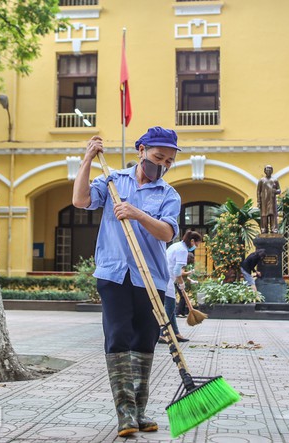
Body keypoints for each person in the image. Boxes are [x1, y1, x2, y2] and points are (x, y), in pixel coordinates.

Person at [72, 126, 181, 437]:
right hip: (114, 273)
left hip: (152, 278)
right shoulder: (113, 181)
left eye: (169, 161)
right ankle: (125, 414)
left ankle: (140, 410)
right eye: (158, 157)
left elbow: (167, 233)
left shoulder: (169, 194)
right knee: (118, 336)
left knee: (145, 341)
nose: (162, 165)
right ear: (142, 151)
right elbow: (80, 200)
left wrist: (138, 214)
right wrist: (88, 159)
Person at [161, 230, 203, 343]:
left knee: (171, 307)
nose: (197, 247)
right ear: (192, 241)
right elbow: (177, 270)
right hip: (167, 279)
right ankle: (161, 333)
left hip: (165, 277)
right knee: (169, 307)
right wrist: (181, 283)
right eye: (197, 244)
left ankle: (176, 333)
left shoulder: (177, 245)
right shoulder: (182, 250)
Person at [257, 165, 281, 234]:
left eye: (270, 169)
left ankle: (274, 229)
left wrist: (275, 191)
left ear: (272, 171)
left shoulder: (275, 180)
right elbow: (258, 191)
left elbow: (279, 190)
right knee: (264, 215)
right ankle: (264, 229)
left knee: (273, 215)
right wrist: (258, 201)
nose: (268, 171)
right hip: (264, 201)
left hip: (272, 200)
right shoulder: (261, 181)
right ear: (265, 171)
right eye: (267, 169)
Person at [176, 252, 197, 317]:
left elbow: (184, 276)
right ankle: (179, 313)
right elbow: (181, 273)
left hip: (179, 282)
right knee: (183, 297)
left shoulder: (184, 264)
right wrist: (190, 272)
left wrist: (191, 281)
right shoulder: (183, 264)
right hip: (178, 282)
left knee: (183, 297)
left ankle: (182, 313)